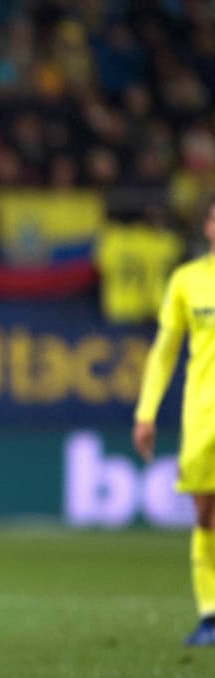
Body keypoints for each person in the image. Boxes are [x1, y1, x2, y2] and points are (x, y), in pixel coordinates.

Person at [133, 198, 215, 647]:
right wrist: (146, 412)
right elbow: (165, 351)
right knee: (206, 515)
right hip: (204, 413)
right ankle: (210, 615)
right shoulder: (188, 280)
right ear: (207, 226)